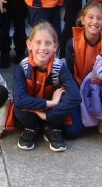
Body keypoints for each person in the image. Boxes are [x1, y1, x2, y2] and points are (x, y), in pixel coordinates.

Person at [12, 22, 83, 152]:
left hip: (52, 112)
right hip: (35, 107)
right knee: (19, 110)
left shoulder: (59, 67)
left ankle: (50, 126)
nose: (43, 48)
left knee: (74, 131)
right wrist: (50, 103)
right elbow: (19, 99)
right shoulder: (23, 67)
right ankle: (32, 127)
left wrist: (49, 115)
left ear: (55, 47)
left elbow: (75, 96)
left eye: (48, 43)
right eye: (38, 42)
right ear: (29, 45)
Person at [65, 1, 102, 87]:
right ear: (82, 20)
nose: (95, 21)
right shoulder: (72, 43)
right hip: (76, 84)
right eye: (90, 17)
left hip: (97, 85)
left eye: (99, 18)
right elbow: (69, 73)